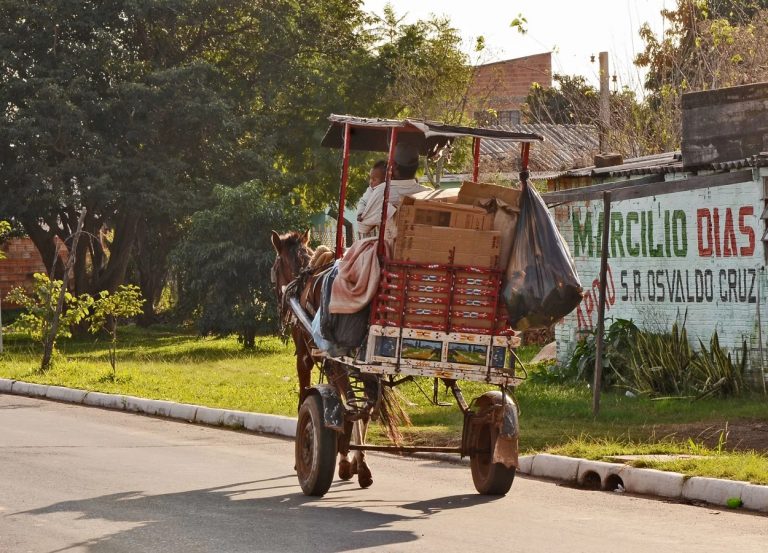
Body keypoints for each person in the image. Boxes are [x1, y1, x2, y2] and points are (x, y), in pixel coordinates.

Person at [356, 143, 429, 240]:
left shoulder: (382, 192)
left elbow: (363, 228)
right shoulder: (428, 193)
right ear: (416, 167)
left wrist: (369, 192)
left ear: (393, 165)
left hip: (391, 248)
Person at [355, 159, 387, 239]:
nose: (371, 182)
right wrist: (360, 213)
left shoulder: (381, 192)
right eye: (370, 178)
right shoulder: (370, 190)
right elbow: (362, 201)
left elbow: (364, 227)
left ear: (384, 180)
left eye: (374, 179)